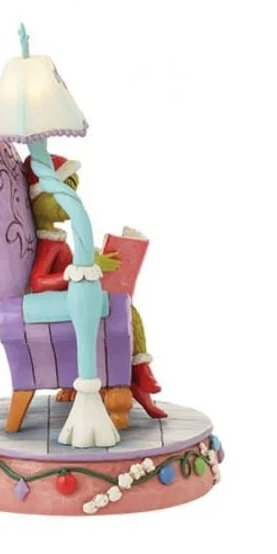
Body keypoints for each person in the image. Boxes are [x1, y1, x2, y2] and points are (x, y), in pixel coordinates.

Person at [23, 154, 167, 419]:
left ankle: (139, 377)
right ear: (37, 197)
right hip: (68, 303)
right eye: (60, 191)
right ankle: (139, 371)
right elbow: (38, 282)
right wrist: (76, 270)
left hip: (74, 298)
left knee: (124, 306)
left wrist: (90, 260)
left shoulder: (56, 240)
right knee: (126, 310)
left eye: (72, 189)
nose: (70, 199)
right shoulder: (49, 243)